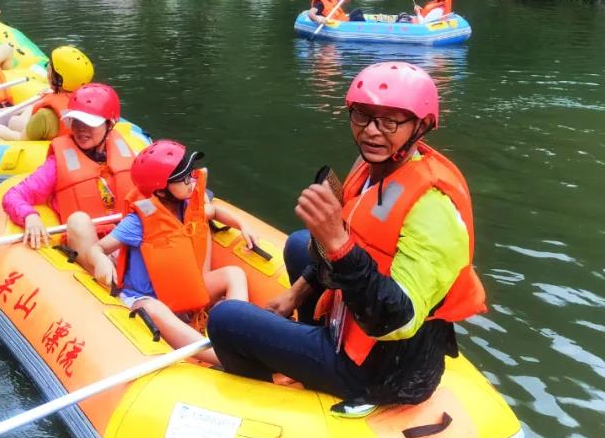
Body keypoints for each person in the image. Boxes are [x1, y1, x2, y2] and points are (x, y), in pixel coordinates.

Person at [207, 62, 486, 407]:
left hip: (386, 371)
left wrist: (338, 242)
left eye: (389, 121)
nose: (371, 132)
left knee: (225, 320)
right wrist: (296, 293)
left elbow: (396, 321)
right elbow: (354, 243)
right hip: (355, 323)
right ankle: (313, 344)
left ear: (422, 125)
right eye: (362, 116)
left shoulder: (433, 210)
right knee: (298, 245)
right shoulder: (371, 167)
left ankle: (281, 393)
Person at [82, 141, 256, 365]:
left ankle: (235, 335)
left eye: (190, 174)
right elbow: (98, 248)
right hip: (146, 298)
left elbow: (215, 212)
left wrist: (243, 224)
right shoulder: (139, 221)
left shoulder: (186, 207)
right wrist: (100, 261)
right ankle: (223, 357)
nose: (191, 180)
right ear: (162, 190)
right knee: (152, 308)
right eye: (184, 178)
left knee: (234, 273)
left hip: (182, 289)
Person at [1, 83, 137, 281]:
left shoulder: (125, 154)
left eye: (90, 123)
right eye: (76, 122)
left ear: (110, 123)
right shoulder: (57, 164)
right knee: (79, 221)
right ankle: (112, 285)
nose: (81, 129)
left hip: (121, 240)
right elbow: (13, 196)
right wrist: (29, 216)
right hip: (87, 246)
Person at [0, 46, 94, 141]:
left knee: (12, 123)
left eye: (50, 67)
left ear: (58, 79)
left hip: (40, 142)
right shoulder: (90, 102)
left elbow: (20, 138)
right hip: (59, 136)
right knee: (15, 121)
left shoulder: (45, 115)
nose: (48, 68)